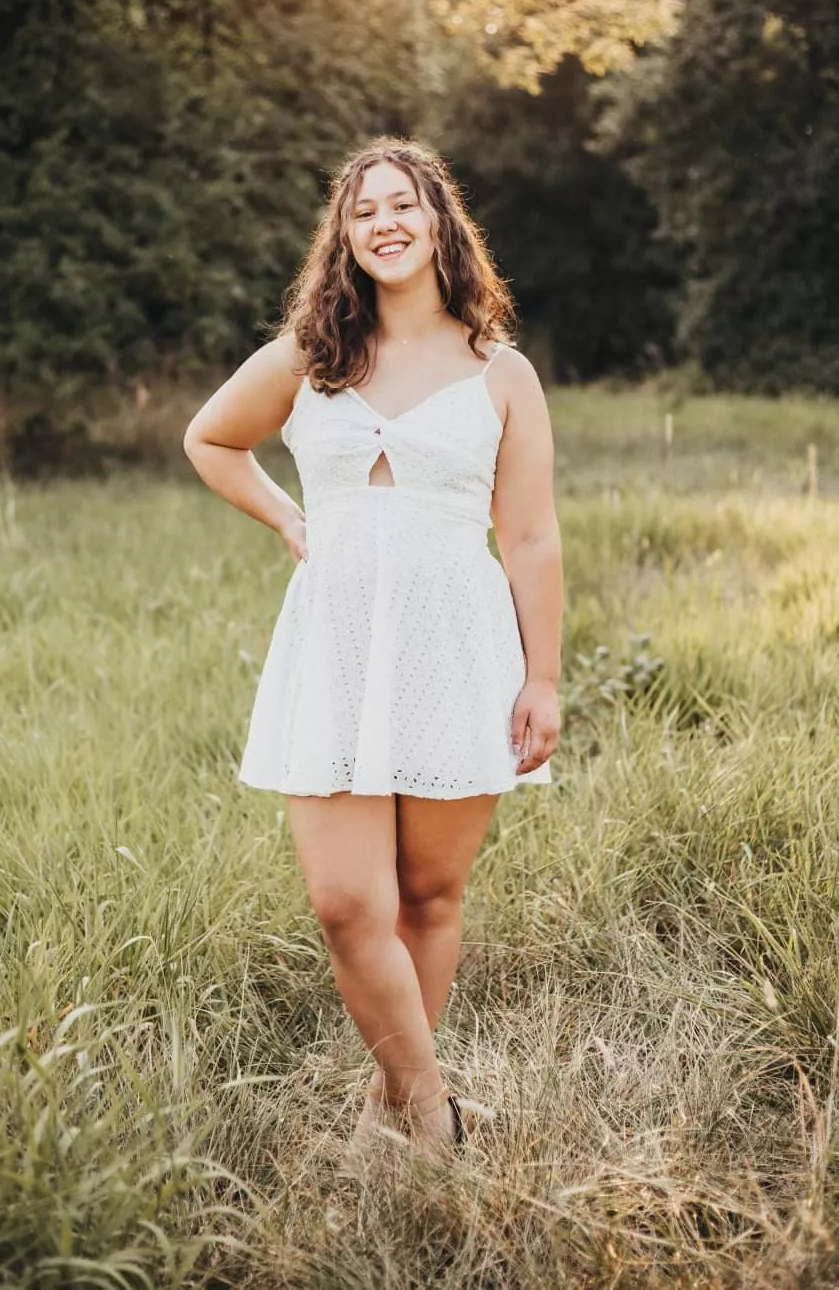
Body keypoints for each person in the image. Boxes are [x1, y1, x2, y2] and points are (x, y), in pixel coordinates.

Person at [183, 137, 563, 1161]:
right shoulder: (312, 357)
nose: (385, 222)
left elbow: (529, 536)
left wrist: (544, 677)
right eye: (364, 211)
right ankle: (433, 1104)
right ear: (343, 236)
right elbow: (210, 439)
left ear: (441, 221)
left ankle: (386, 1110)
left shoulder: (502, 374)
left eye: (404, 203)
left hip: (454, 638)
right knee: (349, 902)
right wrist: (288, 520)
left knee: (431, 894)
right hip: (339, 643)